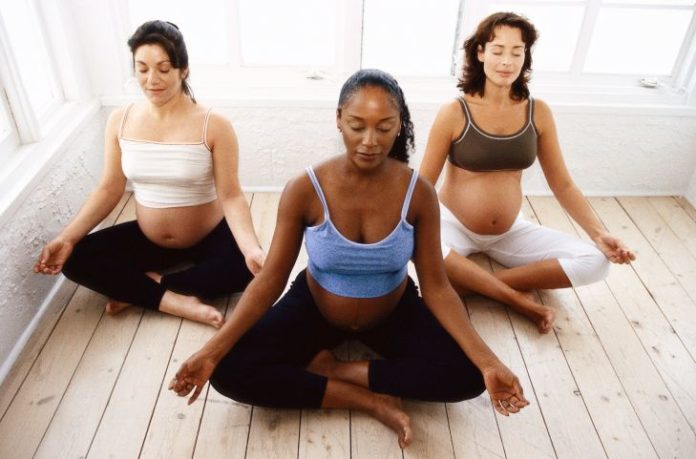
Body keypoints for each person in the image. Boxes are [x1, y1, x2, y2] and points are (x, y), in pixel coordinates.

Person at [168, 69, 529, 448]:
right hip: (316, 307)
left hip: (392, 311)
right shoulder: (305, 189)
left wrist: (490, 363)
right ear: (338, 118)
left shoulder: (418, 193)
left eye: (385, 127)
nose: (370, 141)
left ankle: (337, 370)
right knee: (227, 372)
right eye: (357, 125)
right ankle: (366, 400)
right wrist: (210, 352)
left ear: (400, 125)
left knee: (470, 377)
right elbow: (269, 280)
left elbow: (437, 287)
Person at [34, 20, 264, 327]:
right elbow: (109, 188)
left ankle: (145, 287)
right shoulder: (120, 120)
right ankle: (174, 300)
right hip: (149, 237)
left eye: (164, 68)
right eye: (142, 69)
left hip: (206, 235)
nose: (152, 79)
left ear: (184, 70)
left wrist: (251, 248)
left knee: (248, 267)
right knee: (75, 258)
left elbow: (232, 195)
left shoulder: (214, 124)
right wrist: (66, 237)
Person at [419, 12, 635, 334]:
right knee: (418, 256)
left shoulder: (539, 113)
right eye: (498, 50)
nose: (506, 61)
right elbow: (423, 185)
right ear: (480, 53)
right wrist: (406, 234)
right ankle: (516, 299)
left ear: (525, 57)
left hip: (509, 232)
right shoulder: (454, 112)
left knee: (596, 263)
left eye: (516, 52)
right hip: (452, 225)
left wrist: (598, 234)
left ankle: (479, 286)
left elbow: (562, 184)